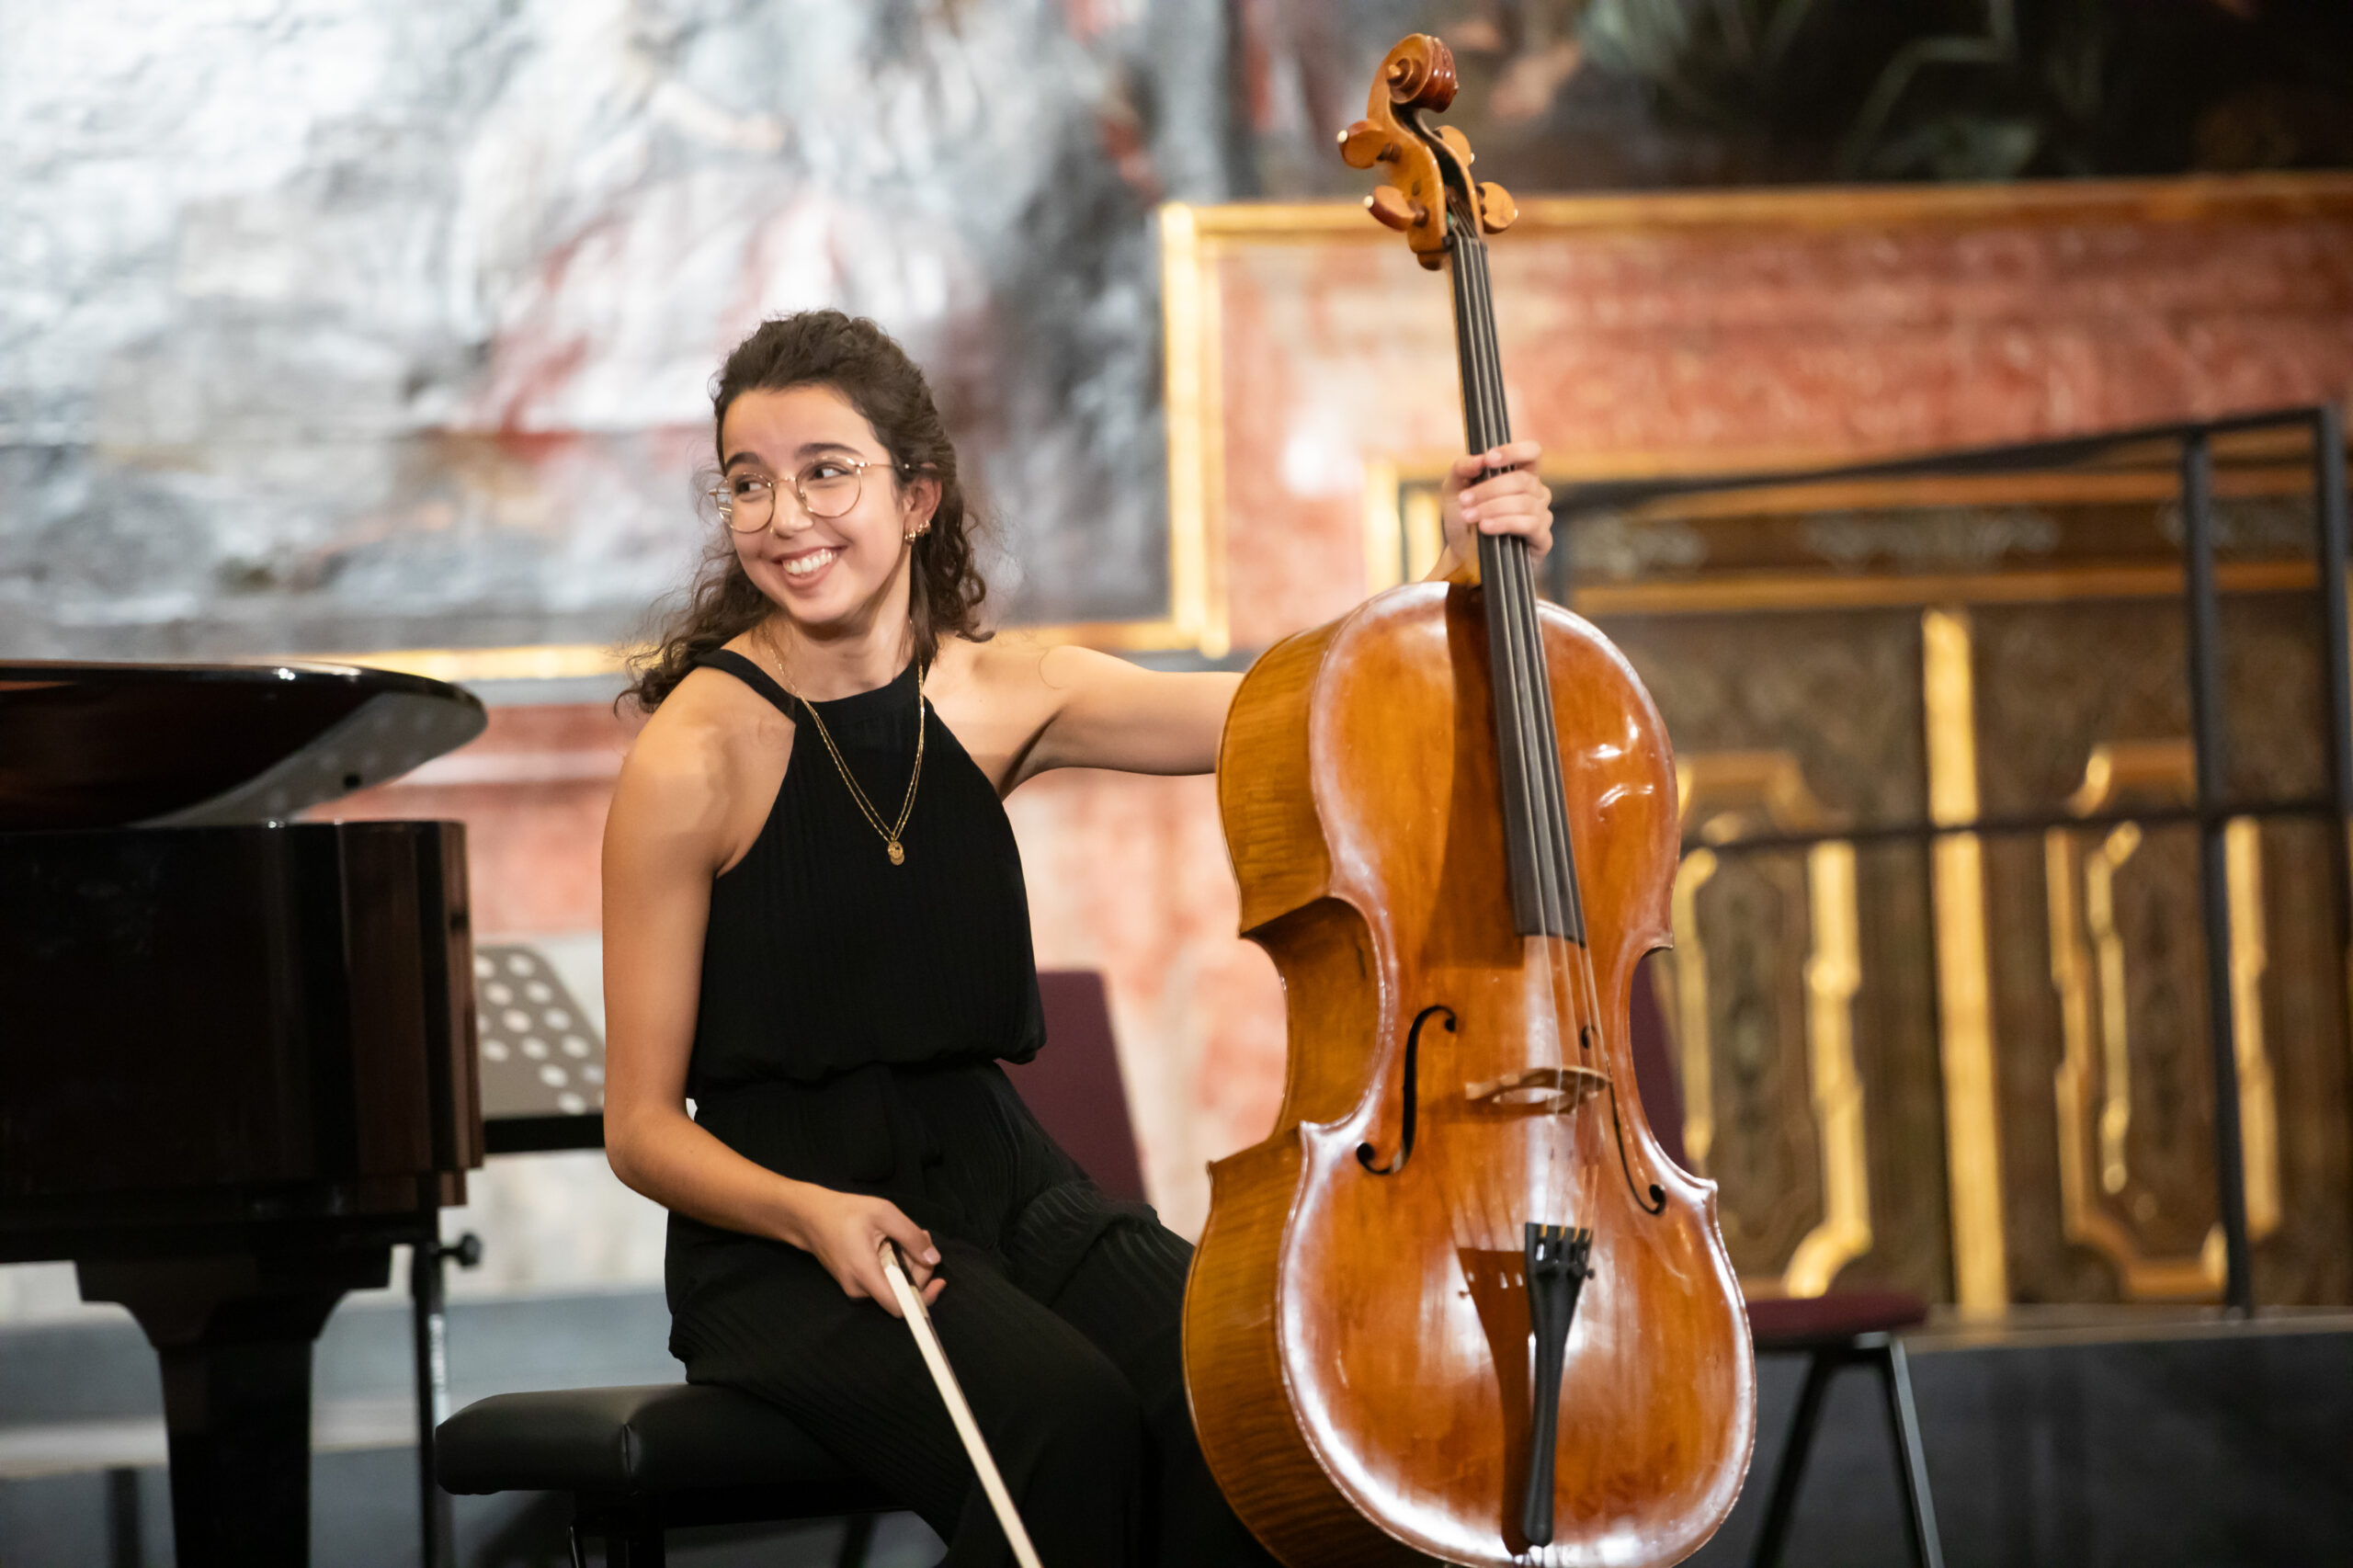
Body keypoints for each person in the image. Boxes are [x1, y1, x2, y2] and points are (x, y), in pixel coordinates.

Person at [601, 308, 1553, 1567]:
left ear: (918, 496)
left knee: (1247, 1388)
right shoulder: (694, 755)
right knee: (1068, 1421)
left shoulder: (1007, 695)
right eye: (748, 483)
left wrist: (1451, 575)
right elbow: (641, 1129)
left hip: (1009, 1184)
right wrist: (812, 1214)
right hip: (784, 1242)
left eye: (825, 472)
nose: (785, 517)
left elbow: (1314, 708)